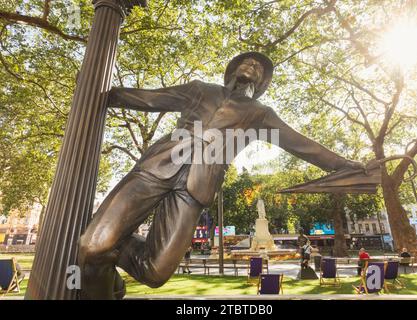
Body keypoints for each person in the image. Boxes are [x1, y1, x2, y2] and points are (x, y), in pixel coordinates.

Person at [78, 52, 365, 299]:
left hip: (197, 186)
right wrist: (104, 92)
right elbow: (151, 98)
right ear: (233, 69)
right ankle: (105, 256)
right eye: (247, 61)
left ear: (261, 82)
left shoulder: (260, 113)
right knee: (91, 247)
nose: (252, 65)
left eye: (259, 67)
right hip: (157, 166)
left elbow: (303, 145)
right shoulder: (200, 89)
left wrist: (343, 163)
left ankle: (111, 244)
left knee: (154, 272)